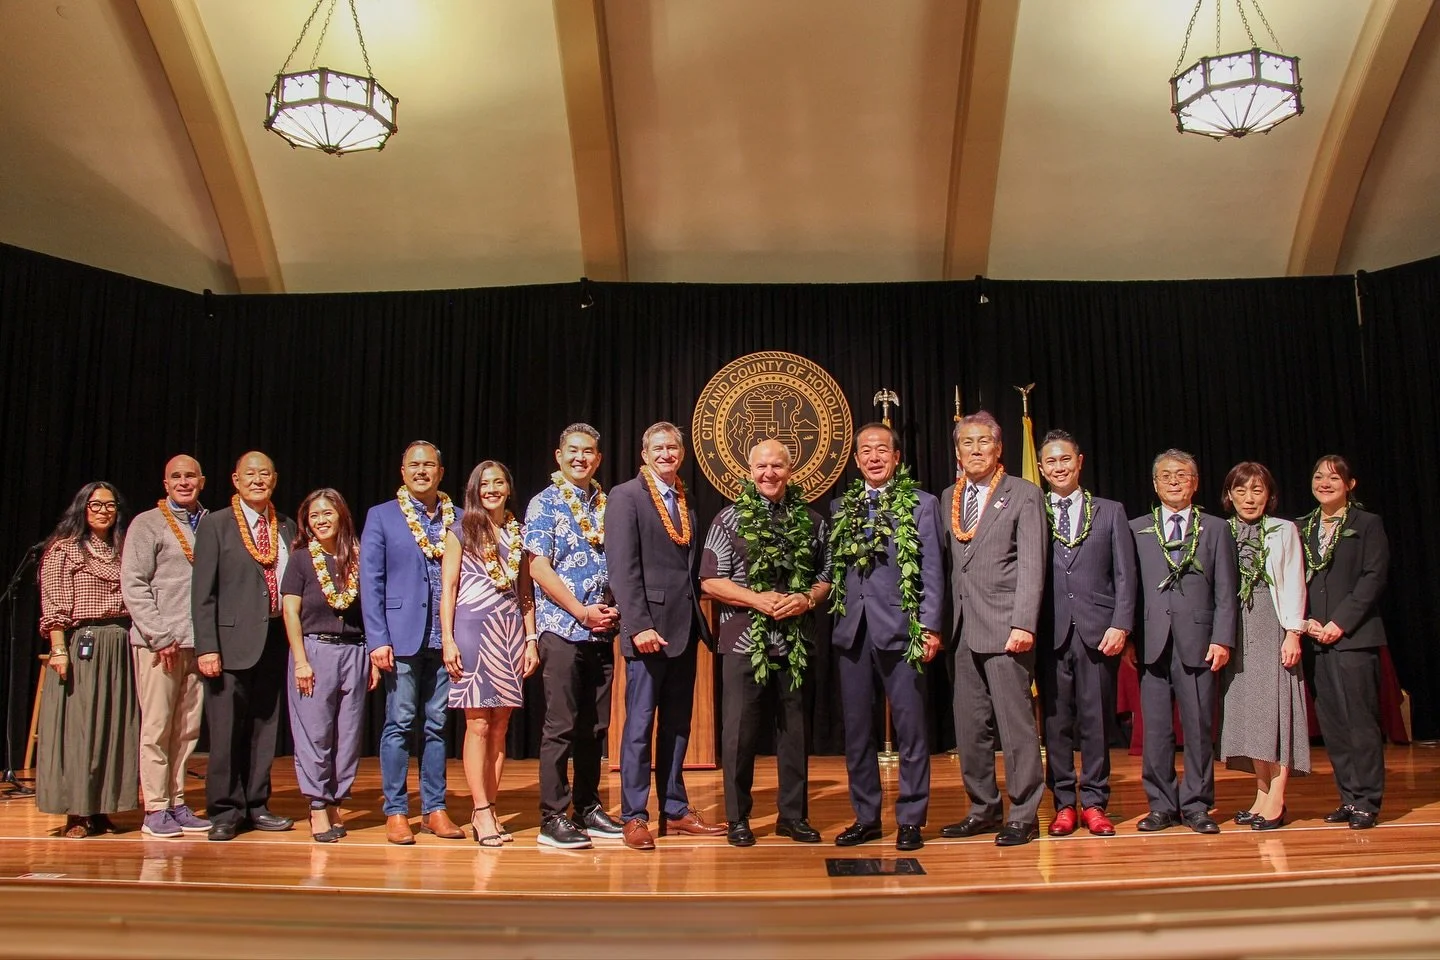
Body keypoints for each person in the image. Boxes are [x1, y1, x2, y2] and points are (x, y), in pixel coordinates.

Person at [700, 440, 831, 847]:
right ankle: (738, 818)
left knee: (795, 733)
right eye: (761, 466)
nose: (769, 473)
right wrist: (756, 599)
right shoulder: (728, 519)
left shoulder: (812, 521)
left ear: (790, 471)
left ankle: (793, 816)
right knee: (738, 734)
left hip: (795, 643)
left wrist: (806, 598)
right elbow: (708, 580)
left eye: (777, 466)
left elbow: (827, 577)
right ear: (749, 470)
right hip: (742, 642)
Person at [606, 421, 726, 851]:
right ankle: (634, 815)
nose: (666, 454)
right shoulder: (625, 497)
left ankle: (674, 809)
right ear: (645, 454)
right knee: (639, 726)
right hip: (648, 631)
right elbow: (622, 569)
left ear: (681, 453)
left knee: (677, 726)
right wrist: (638, 625)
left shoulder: (686, 500)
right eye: (657, 448)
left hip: (685, 628)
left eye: (672, 447)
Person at [827, 423, 944, 852]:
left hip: (903, 630)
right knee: (858, 733)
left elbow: (931, 569)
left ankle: (911, 818)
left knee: (911, 729)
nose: (874, 457)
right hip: (852, 632)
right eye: (865, 451)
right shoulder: (843, 505)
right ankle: (867, 817)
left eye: (882, 450)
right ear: (856, 460)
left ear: (896, 458)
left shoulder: (921, 503)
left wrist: (930, 626)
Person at [939, 412, 1046, 847]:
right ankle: (982, 808)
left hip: (1006, 628)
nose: (976, 449)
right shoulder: (949, 495)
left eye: (984, 442)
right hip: (961, 630)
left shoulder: (1023, 494)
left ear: (999, 448)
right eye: (968, 442)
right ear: (958, 451)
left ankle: (1024, 813)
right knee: (970, 727)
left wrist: (1024, 622)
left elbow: (1033, 565)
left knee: (1015, 727)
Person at [361, 441, 467, 844]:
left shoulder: (458, 518)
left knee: (438, 725)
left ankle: (435, 809)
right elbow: (371, 583)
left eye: (429, 465)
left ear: (441, 473)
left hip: (446, 639)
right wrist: (377, 639)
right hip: (400, 637)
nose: (422, 471)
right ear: (402, 472)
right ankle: (396, 811)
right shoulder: (381, 516)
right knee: (400, 723)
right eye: (414, 465)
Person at [524, 423, 623, 850]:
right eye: (574, 451)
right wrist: (579, 611)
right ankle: (552, 816)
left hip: (601, 630)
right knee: (561, 724)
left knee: (595, 726)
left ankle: (588, 806)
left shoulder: (609, 503)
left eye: (589, 453)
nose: (581, 458)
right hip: (563, 627)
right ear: (559, 456)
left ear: (598, 459)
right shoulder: (543, 504)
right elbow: (538, 568)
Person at [1129, 449, 1238, 835]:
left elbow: (1227, 589)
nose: (1174, 481)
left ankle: (1196, 804)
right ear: (1154, 484)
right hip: (1152, 642)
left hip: (1200, 641)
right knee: (1155, 730)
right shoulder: (1137, 528)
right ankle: (1160, 804)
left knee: (1197, 727)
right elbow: (1130, 589)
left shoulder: (1216, 528)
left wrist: (1223, 638)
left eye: (1182, 475)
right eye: (1165, 475)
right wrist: (1128, 637)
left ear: (1194, 482)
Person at [1033, 430, 1136, 839]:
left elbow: (1126, 575)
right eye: (1051, 462)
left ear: (1080, 462)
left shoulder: (1110, 511)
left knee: (1095, 722)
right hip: (1049, 632)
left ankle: (1094, 802)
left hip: (1098, 631)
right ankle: (1062, 804)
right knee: (1056, 725)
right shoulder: (1032, 509)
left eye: (1065, 460)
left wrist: (1122, 624)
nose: (1059, 468)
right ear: (1041, 469)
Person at [192, 452, 297, 840]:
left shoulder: (285, 526)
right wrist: (207, 646)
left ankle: (257, 804)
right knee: (225, 731)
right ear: (235, 479)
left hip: (273, 640)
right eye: (250, 474)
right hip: (229, 643)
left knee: (264, 727)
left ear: (275, 479)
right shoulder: (216, 525)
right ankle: (224, 810)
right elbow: (202, 593)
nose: (258, 480)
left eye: (265, 474)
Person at [440, 461, 541, 847]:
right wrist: (448, 640)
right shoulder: (460, 529)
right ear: (475, 490)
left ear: (508, 488)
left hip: (510, 630)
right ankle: (480, 811)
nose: (493, 489)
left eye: (499, 482)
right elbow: (448, 589)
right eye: (486, 484)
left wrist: (531, 639)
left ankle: (492, 806)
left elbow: (526, 592)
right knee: (478, 723)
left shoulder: (518, 532)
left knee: (500, 725)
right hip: (472, 629)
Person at [37, 481, 137, 838]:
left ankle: (104, 807)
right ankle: (77, 812)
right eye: (96, 505)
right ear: (82, 508)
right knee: (81, 730)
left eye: (110, 505)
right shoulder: (64, 550)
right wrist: (59, 649)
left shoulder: (125, 549)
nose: (103, 511)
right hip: (84, 644)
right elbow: (53, 604)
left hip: (121, 643)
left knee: (113, 727)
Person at [120, 456, 212, 838]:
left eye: (190, 475)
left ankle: (176, 800)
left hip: (197, 642)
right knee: (157, 728)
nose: (183, 482)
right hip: (160, 645)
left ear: (202, 481)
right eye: (176, 476)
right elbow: (134, 584)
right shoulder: (147, 523)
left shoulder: (209, 523)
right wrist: (159, 636)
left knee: (187, 730)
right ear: (165, 483)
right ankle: (155, 808)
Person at [1217, 462, 1309, 831]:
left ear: (1269, 495)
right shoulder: (1221, 530)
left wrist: (1293, 631)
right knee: (1250, 714)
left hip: (1272, 622)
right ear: (1229, 495)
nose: (1249, 498)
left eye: (1257, 490)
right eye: (1241, 490)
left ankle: (1277, 798)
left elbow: (1293, 580)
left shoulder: (1283, 530)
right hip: (1236, 628)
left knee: (1277, 710)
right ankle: (1260, 793)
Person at [281, 488, 377, 843]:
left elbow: (370, 610)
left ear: (341, 516)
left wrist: (374, 659)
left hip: (356, 651)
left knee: (349, 735)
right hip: (314, 651)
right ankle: (318, 804)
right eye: (313, 516)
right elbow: (291, 611)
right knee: (316, 733)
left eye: (327, 513)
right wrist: (301, 662)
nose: (320, 521)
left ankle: (337, 798)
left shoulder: (358, 557)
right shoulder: (302, 559)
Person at [1301, 454, 1389, 830]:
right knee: (1333, 723)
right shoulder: (1302, 526)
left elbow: (1373, 577)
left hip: (1353, 637)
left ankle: (1368, 800)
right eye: (1319, 476)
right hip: (1315, 639)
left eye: (1334, 478)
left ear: (1350, 485)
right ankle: (1349, 798)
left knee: (1360, 722)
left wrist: (1341, 621)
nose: (1325, 483)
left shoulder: (1367, 524)